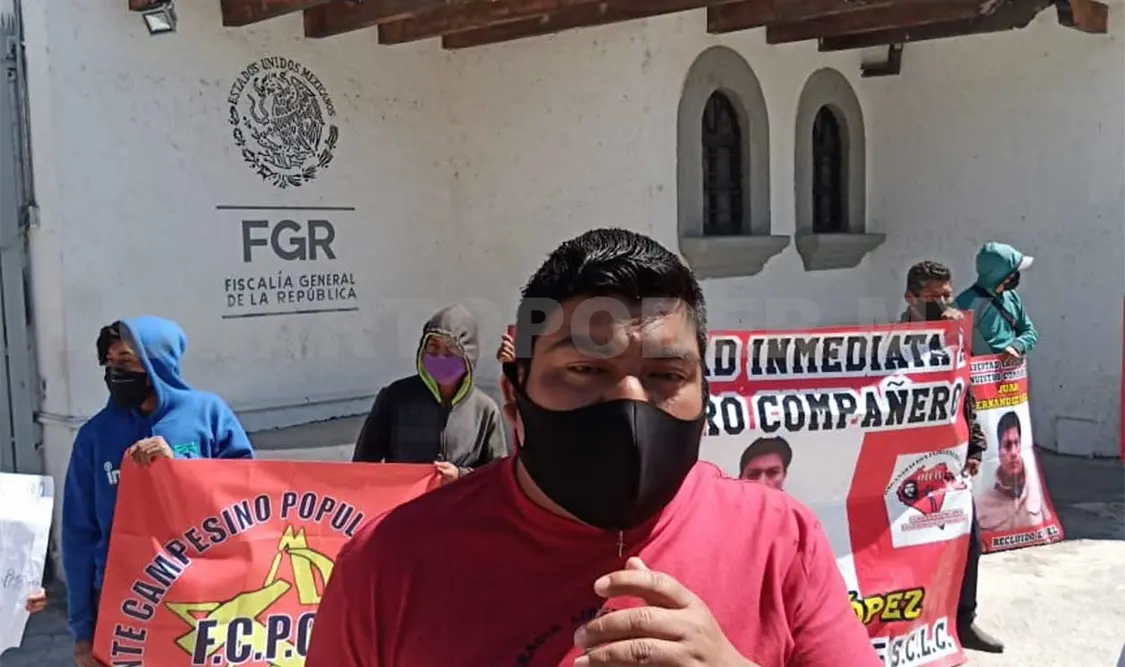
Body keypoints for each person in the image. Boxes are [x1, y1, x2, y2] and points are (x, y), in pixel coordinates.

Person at [308, 228, 880, 667]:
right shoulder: (389, 564)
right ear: (514, 397)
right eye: (584, 369)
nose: (629, 404)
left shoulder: (781, 540)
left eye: (665, 375)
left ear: (705, 393)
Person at [62, 317, 254, 667]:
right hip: (124, 602)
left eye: (126, 360)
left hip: (201, 596)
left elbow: (245, 497)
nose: (116, 372)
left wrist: (179, 469)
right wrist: (83, 630)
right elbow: (78, 536)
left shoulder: (208, 414)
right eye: (109, 362)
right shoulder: (94, 437)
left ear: (157, 364)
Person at [902, 260, 1004, 654]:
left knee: (967, 542)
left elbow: (966, 397)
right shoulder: (891, 343)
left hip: (950, 462)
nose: (943, 304)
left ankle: (964, 620)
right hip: (906, 465)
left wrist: (975, 445)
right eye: (933, 297)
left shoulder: (955, 336)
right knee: (911, 548)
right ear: (910, 298)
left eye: (947, 295)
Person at [352, 304, 509, 482]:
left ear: (468, 355)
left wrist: (460, 476)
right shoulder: (395, 398)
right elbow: (362, 465)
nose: (440, 356)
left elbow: (497, 476)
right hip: (408, 500)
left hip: (460, 500)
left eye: (450, 348)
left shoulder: (485, 410)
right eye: (433, 346)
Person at [954, 242, 1038, 362]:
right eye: (1013, 273)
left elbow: (1029, 331)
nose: (1016, 276)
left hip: (1012, 372)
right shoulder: (965, 303)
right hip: (979, 370)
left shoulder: (1011, 297)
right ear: (1000, 275)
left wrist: (1017, 346)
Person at [977, 410, 1047, 534]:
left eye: (1016, 443)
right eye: (1007, 445)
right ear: (998, 451)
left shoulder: (1037, 488)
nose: (1014, 453)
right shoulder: (984, 503)